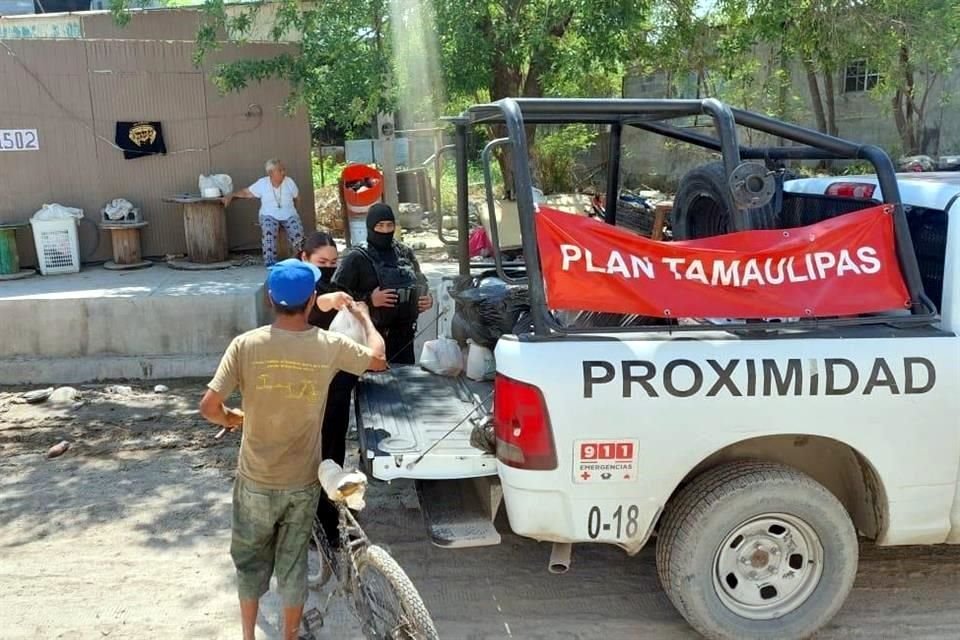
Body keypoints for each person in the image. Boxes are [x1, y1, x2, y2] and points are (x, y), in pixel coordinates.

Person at [199, 258, 386, 640]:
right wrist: (365, 318)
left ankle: (249, 636)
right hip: (301, 481)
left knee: (250, 564)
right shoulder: (330, 345)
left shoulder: (245, 345)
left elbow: (208, 408)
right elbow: (379, 360)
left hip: (254, 478)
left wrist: (235, 419)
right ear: (312, 299)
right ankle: (288, 635)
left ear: (270, 299)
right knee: (293, 563)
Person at [299, 231, 361, 548]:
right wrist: (328, 302)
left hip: (338, 387)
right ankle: (317, 525)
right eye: (321, 262)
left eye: (333, 263)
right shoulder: (298, 286)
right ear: (304, 259)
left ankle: (333, 515)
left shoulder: (337, 286)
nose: (327, 268)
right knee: (317, 454)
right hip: (311, 389)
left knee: (335, 450)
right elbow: (307, 309)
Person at [333, 203, 433, 364]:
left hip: (404, 337)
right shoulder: (356, 257)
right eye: (380, 226)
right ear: (370, 227)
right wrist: (369, 300)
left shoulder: (405, 252)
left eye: (389, 225)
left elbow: (421, 282)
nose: (386, 231)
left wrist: (427, 299)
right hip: (369, 337)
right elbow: (336, 295)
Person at [224, 159, 305, 266]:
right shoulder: (262, 183)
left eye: (284, 170)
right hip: (268, 215)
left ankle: (301, 259)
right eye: (280, 170)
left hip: (289, 214)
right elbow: (246, 192)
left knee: (297, 232)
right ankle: (270, 262)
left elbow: (297, 198)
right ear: (270, 173)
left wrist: (295, 213)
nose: (283, 172)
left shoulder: (289, 182)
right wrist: (232, 195)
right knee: (269, 231)